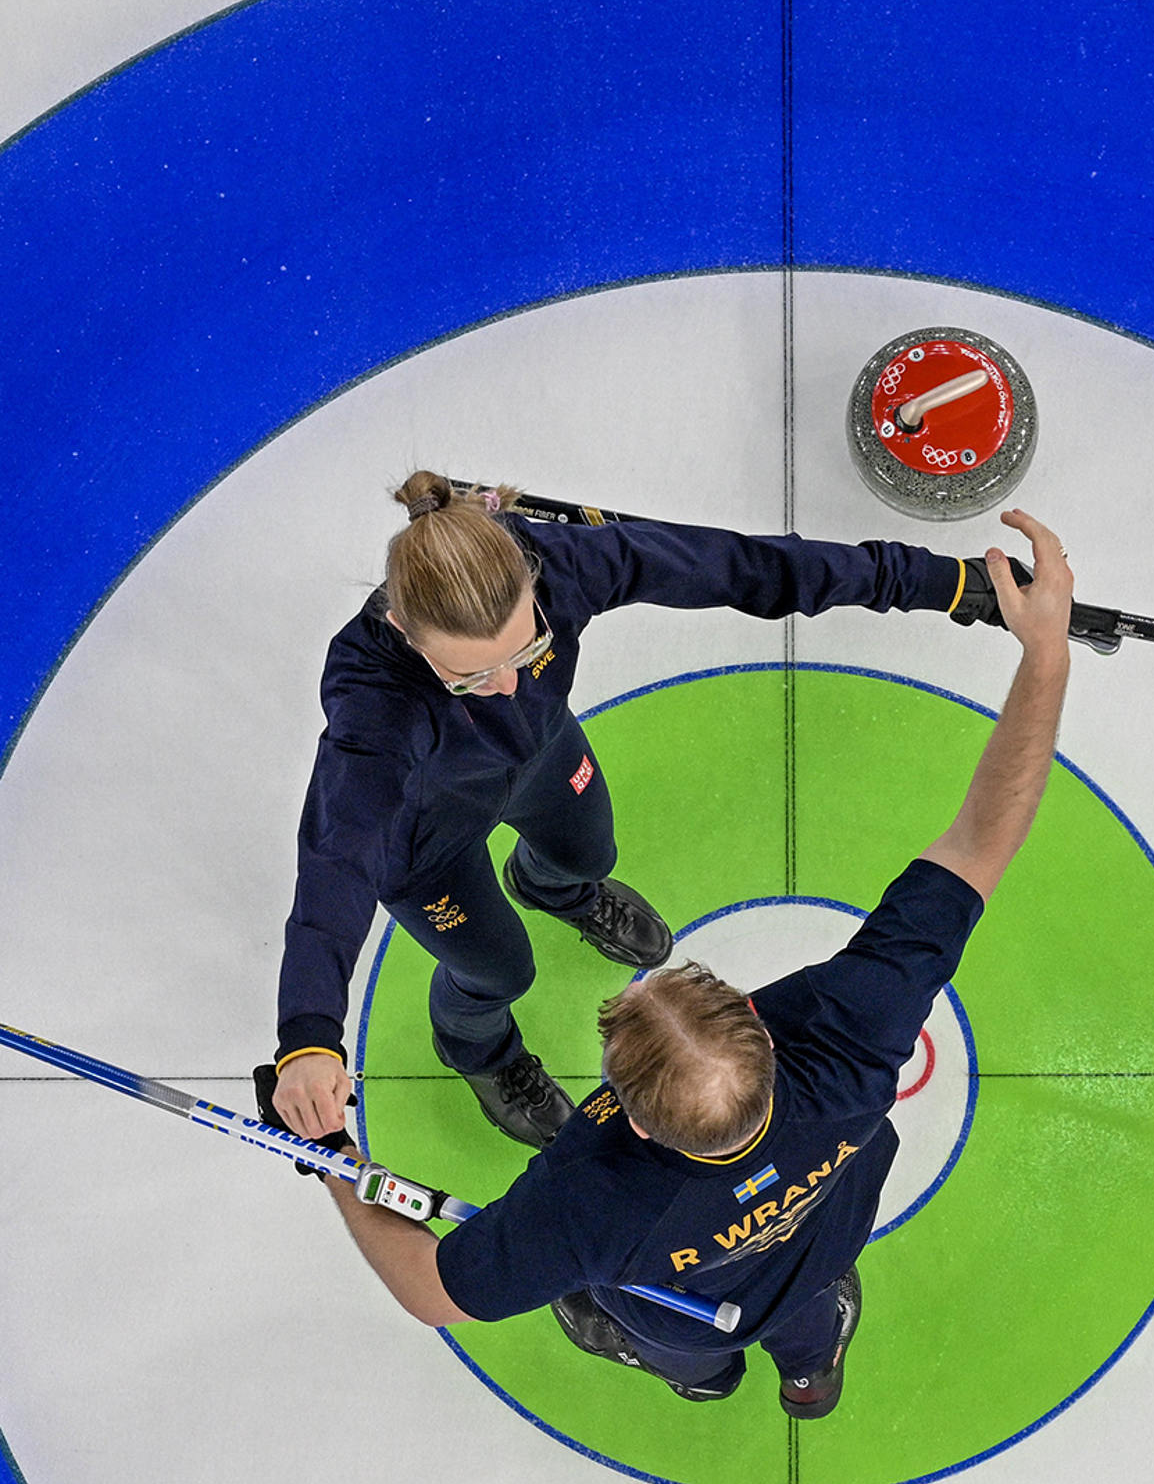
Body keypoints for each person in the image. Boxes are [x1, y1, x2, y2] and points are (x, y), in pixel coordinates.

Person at [308, 512, 1073, 1419]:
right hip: (821, 1241)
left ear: (628, 1119)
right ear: (755, 1027)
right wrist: (1047, 659)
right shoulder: (851, 1040)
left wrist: (337, 1165)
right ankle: (812, 1370)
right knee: (809, 1317)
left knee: (689, 1349)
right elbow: (982, 843)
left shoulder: (587, 1204)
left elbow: (433, 1291)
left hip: (690, 1311)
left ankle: (696, 1378)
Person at [273, 472, 1012, 1152]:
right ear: (404, 629)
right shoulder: (375, 698)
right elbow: (338, 855)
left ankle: (553, 890)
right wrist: (309, 1038)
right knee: (499, 970)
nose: (504, 686)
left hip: (538, 758)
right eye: (468, 677)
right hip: (423, 841)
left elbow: (747, 566)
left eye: (524, 649)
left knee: (588, 855)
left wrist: (943, 584)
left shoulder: (565, 563)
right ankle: (481, 1052)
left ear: (533, 581)